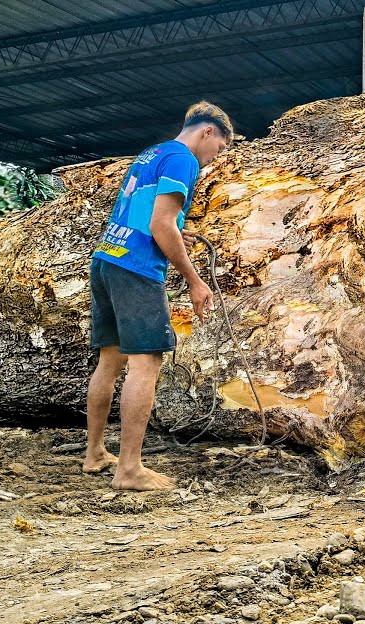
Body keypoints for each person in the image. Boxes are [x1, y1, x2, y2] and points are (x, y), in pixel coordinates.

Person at [83, 101, 233, 491]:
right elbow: (161, 221)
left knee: (109, 360)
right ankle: (129, 470)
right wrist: (195, 279)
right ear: (207, 132)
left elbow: (147, 217)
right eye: (218, 149)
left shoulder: (152, 153)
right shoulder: (184, 159)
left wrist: (171, 232)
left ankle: (95, 453)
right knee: (145, 362)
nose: (214, 158)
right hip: (136, 269)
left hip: (107, 259)